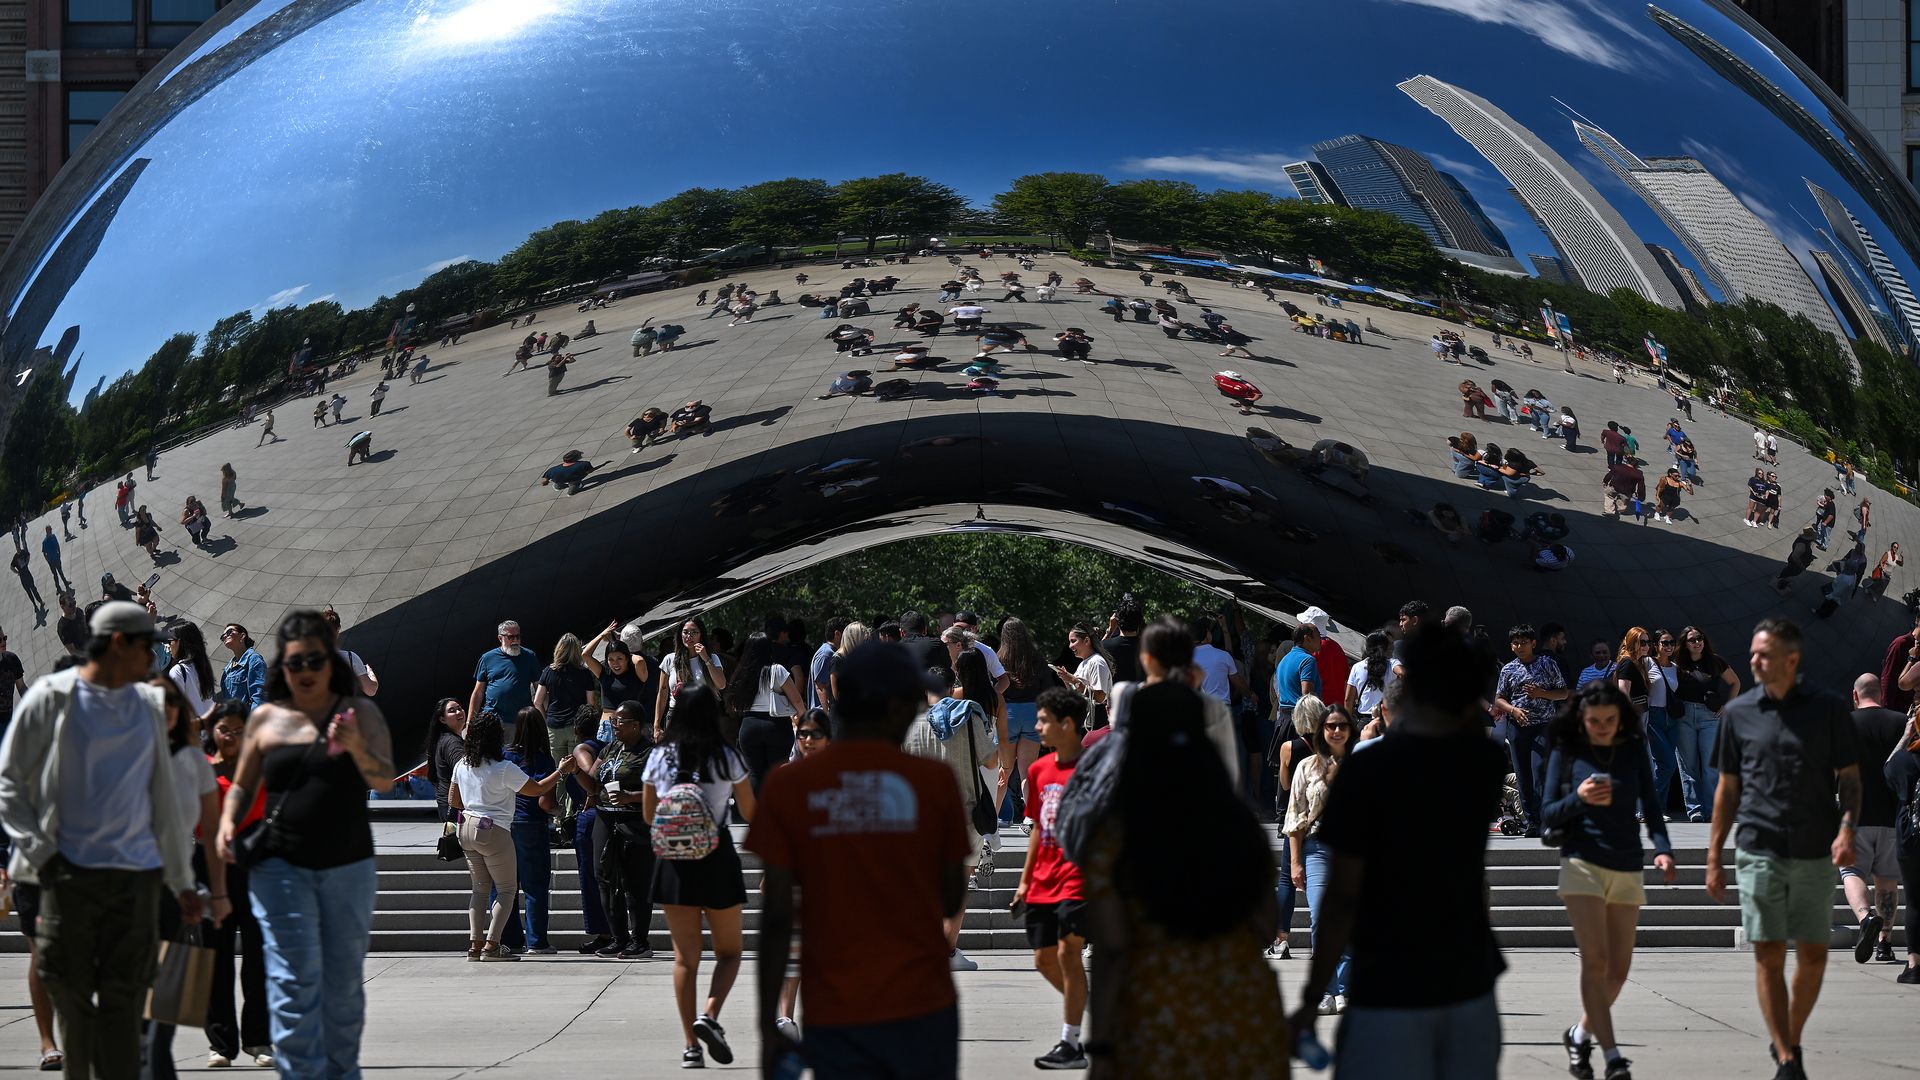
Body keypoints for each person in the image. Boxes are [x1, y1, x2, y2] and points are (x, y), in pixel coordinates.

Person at [1289, 624, 1507, 1079]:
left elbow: (1343, 898)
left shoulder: (1367, 767)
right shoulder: (1478, 763)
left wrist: (1311, 1000)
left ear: (1385, 710)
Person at [748, 642, 970, 1080]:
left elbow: (775, 917)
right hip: (922, 1007)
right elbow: (950, 897)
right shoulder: (933, 782)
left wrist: (766, 1026)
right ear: (893, 706)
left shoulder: (790, 786)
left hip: (836, 1010)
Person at [0, 602, 203, 1079]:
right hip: (62, 877)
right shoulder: (51, 697)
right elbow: (9, 783)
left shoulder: (147, 707)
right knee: (72, 1002)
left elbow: (164, 801)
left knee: (123, 1008)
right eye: (145, 648)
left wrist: (181, 879)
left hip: (128, 879)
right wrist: (40, 852)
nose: (152, 659)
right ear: (117, 645)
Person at [213, 611, 393, 1076]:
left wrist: (355, 745)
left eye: (315, 661)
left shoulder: (360, 713)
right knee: (292, 986)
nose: (306, 672)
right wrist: (228, 824)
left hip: (347, 865)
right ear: (282, 668)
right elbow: (243, 786)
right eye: (295, 664)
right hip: (279, 867)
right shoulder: (267, 719)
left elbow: (383, 778)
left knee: (342, 988)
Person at [1082, 678, 1290, 1076]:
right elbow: (1267, 927)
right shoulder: (1239, 825)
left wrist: (1103, 1048)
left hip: (1154, 1014)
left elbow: (1109, 947)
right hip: (1241, 1013)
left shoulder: (1118, 833)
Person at [1706, 618, 1860, 1080]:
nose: (1754, 661)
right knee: (1769, 954)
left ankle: (1788, 1038)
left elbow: (1851, 780)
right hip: (1758, 847)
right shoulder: (1738, 713)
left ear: (1792, 659)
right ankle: (1789, 1058)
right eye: (1753, 652)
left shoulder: (1829, 709)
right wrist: (1714, 856)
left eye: (1764, 654)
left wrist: (1848, 829)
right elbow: (1727, 791)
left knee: (1813, 955)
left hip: (1815, 849)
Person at [1543, 682, 1675, 1080]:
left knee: (1618, 971)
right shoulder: (1568, 750)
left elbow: (1652, 806)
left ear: (1621, 720)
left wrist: (1663, 847)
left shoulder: (1632, 749)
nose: (1602, 727)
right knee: (1595, 961)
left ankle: (1580, 1033)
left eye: (1610, 721)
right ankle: (1613, 1055)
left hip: (1627, 864)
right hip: (1581, 862)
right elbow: (1548, 813)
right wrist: (1580, 797)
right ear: (1582, 719)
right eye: (1594, 721)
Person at [641, 685, 753, 1069]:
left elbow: (649, 815)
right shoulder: (727, 756)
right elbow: (751, 812)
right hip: (717, 857)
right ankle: (710, 1014)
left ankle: (690, 1046)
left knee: (685, 959)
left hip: (673, 861)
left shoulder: (660, 757)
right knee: (730, 952)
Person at [142, 673, 230, 1080]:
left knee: (168, 1009)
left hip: (176, 891)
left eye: (169, 706)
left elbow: (211, 834)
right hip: (125, 889)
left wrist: (217, 892)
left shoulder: (193, 761)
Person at [449, 709, 573, 960]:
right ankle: (492, 946)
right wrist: (561, 772)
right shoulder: (504, 767)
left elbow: (454, 799)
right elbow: (536, 790)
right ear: (496, 736)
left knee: (480, 889)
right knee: (507, 889)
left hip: (466, 827)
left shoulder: (462, 764)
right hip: (494, 828)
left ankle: (475, 944)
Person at [1012, 688, 1093, 1068]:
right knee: (1044, 960)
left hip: (1081, 877)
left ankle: (1071, 1042)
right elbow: (1035, 830)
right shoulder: (1038, 770)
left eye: (1044, 720)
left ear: (1067, 724)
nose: (1038, 726)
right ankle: (1093, 1012)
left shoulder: (1094, 769)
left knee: (1067, 952)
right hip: (1043, 878)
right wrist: (1025, 882)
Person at [205, 701, 272, 1067]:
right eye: (223, 729)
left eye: (238, 730)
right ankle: (220, 1044)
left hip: (253, 865)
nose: (230, 736)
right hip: (208, 864)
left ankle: (259, 1040)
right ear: (212, 729)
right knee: (214, 958)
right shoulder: (201, 767)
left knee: (258, 956)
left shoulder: (258, 767)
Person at [1286, 700, 1357, 1015]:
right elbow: (1295, 818)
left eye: (1342, 725)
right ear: (1321, 730)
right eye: (1331, 726)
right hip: (1317, 849)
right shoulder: (1307, 767)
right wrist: (1295, 861)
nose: (1337, 731)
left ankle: (1346, 989)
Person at [1841, 674, 1906, 965]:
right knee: (1888, 881)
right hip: (1893, 814)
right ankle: (1885, 944)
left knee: (1852, 871)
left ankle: (1866, 918)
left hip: (1854, 816)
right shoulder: (1901, 722)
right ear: (1880, 694)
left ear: (1855, 697)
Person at [1494, 624, 1571, 837]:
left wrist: (1541, 693)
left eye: (1524, 642)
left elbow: (1563, 693)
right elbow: (1499, 698)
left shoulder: (1547, 663)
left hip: (1543, 725)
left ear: (1533, 643)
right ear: (1511, 646)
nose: (1520, 646)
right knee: (1522, 775)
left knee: (1539, 772)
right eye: (1516, 643)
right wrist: (1513, 710)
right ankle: (1531, 821)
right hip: (1518, 727)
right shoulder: (1508, 669)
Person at [1673, 627, 1740, 823]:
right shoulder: (1678, 663)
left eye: (1699, 638)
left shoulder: (1715, 661)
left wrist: (1727, 707)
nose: (1697, 642)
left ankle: (1713, 810)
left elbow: (1735, 682)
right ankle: (1695, 810)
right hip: (1684, 716)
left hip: (1709, 716)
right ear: (1685, 644)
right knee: (1688, 766)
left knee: (1711, 766)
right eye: (1692, 640)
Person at [726, 631, 807, 793]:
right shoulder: (777, 670)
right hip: (776, 725)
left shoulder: (741, 672)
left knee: (755, 773)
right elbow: (796, 699)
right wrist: (804, 719)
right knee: (778, 771)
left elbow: (734, 704)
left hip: (749, 725)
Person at [1885, 712, 1920, 984]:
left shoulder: (1907, 760)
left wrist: (1905, 736)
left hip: (1912, 835)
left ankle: (1914, 965)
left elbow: (1888, 769)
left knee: (1915, 900)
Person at [654, 617, 728, 741]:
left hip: (703, 715)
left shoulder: (712, 658)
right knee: (677, 757)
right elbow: (662, 692)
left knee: (702, 757)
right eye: (685, 632)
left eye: (694, 632)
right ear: (680, 635)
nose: (689, 636)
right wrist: (657, 724)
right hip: (676, 715)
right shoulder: (670, 659)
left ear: (701, 635)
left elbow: (721, 685)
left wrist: (706, 659)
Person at [469, 620, 541, 743]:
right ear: (500, 638)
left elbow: (539, 688)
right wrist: (470, 721)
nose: (515, 640)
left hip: (519, 720)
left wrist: (542, 718)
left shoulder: (529, 656)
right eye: (510, 637)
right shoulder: (487, 658)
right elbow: (478, 692)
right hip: (493, 720)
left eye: (518, 636)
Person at [166, 622, 217, 721]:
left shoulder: (177, 671)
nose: (168, 646)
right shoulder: (202, 666)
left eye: (170, 641)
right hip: (208, 727)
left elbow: (174, 710)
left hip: (194, 730)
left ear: (180, 642)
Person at [219, 623, 268, 710]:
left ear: (242, 636)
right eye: (223, 636)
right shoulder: (226, 671)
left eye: (229, 632)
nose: (225, 636)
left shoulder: (254, 660)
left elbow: (259, 696)